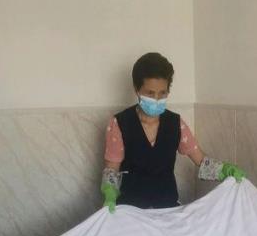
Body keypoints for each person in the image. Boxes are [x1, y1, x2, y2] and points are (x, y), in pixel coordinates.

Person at [101, 52, 245, 212]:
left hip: (167, 209)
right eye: (150, 93)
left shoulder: (175, 123)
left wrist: (225, 170)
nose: (156, 99)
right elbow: (111, 170)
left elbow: (201, 161)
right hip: (131, 211)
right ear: (137, 90)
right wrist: (110, 194)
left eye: (162, 93)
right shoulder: (120, 124)